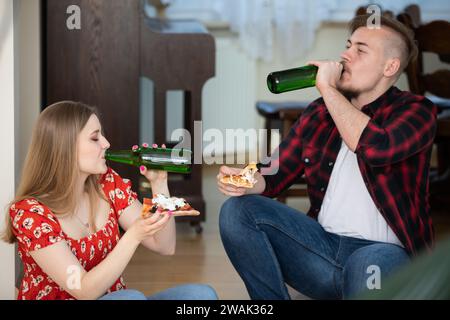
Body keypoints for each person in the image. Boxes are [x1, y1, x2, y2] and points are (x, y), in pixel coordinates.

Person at [217, 14, 437, 300]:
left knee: (366, 265)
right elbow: (274, 173)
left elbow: (376, 147)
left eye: (360, 50)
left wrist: (329, 90)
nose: (345, 55)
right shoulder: (320, 112)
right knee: (236, 211)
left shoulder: (417, 111)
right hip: (320, 252)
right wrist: (248, 179)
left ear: (390, 66)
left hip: (384, 256)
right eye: (348, 45)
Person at [1, 101, 217, 300]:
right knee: (130, 298)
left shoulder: (106, 184)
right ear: (65, 147)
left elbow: (165, 245)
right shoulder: (30, 214)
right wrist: (131, 237)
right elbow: (83, 290)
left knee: (201, 296)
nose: (106, 143)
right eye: (95, 138)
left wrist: (159, 185)